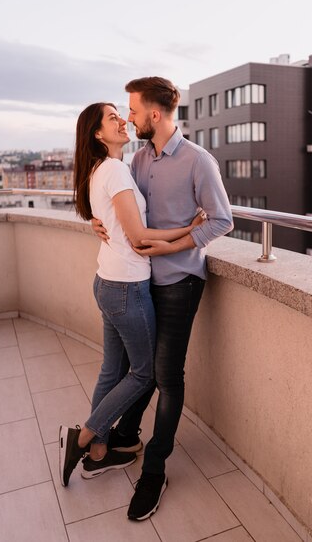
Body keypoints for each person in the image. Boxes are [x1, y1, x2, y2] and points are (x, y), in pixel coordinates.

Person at [91, 77, 233, 520]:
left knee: (167, 375)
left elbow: (222, 221)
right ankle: (127, 438)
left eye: (132, 110)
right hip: (141, 281)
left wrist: (172, 246)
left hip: (180, 283)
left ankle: (154, 469)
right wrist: (98, 225)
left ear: (155, 114)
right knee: (142, 371)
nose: (129, 118)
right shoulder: (136, 160)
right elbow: (125, 212)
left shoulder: (198, 161)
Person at [59, 102, 205, 487]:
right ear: (97, 133)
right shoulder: (117, 170)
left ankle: (99, 454)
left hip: (107, 281)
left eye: (122, 114)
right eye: (112, 117)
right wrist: (187, 231)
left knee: (112, 370)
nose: (122, 120)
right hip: (126, 288)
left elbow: (117, 223)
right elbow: (140, 238)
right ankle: (85, 437)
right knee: (143, 375)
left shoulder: (98, 170)